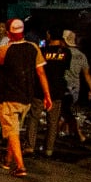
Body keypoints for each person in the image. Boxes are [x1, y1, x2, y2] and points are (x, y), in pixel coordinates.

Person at [0, 17, 50, 178]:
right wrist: (47, 95)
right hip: (27, 97)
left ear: (8, 33)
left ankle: (20, 166)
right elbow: (41, 73)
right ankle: (7, 160)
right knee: (14, 129)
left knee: (12, 131)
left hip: (9, 96)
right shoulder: (34, 48)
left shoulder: (4, 50)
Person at [36, 29, 73, 157]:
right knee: (53, 121)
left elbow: (38, 69)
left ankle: (30, 146)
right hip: (57, 89)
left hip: (41, 88)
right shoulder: (66, 52)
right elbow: (65, 68)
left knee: (34, 118)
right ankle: (49, 149)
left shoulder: (42, 51)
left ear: (49, 35)